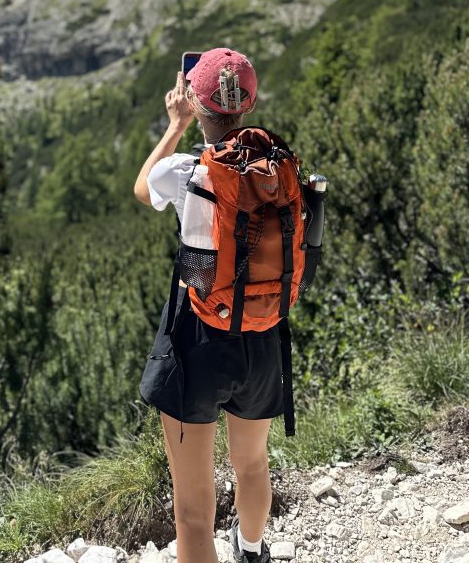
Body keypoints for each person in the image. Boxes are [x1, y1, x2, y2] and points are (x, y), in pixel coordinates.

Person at [133, 48, 281, 563]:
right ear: (248, 105)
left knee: (193, 512)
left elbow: (141, 187)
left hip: (196, 338)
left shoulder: (184, 170)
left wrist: (173, 125)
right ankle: (253, 548)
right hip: (263, 331)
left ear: (197, 105)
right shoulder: (274, 166)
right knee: (252, 465)